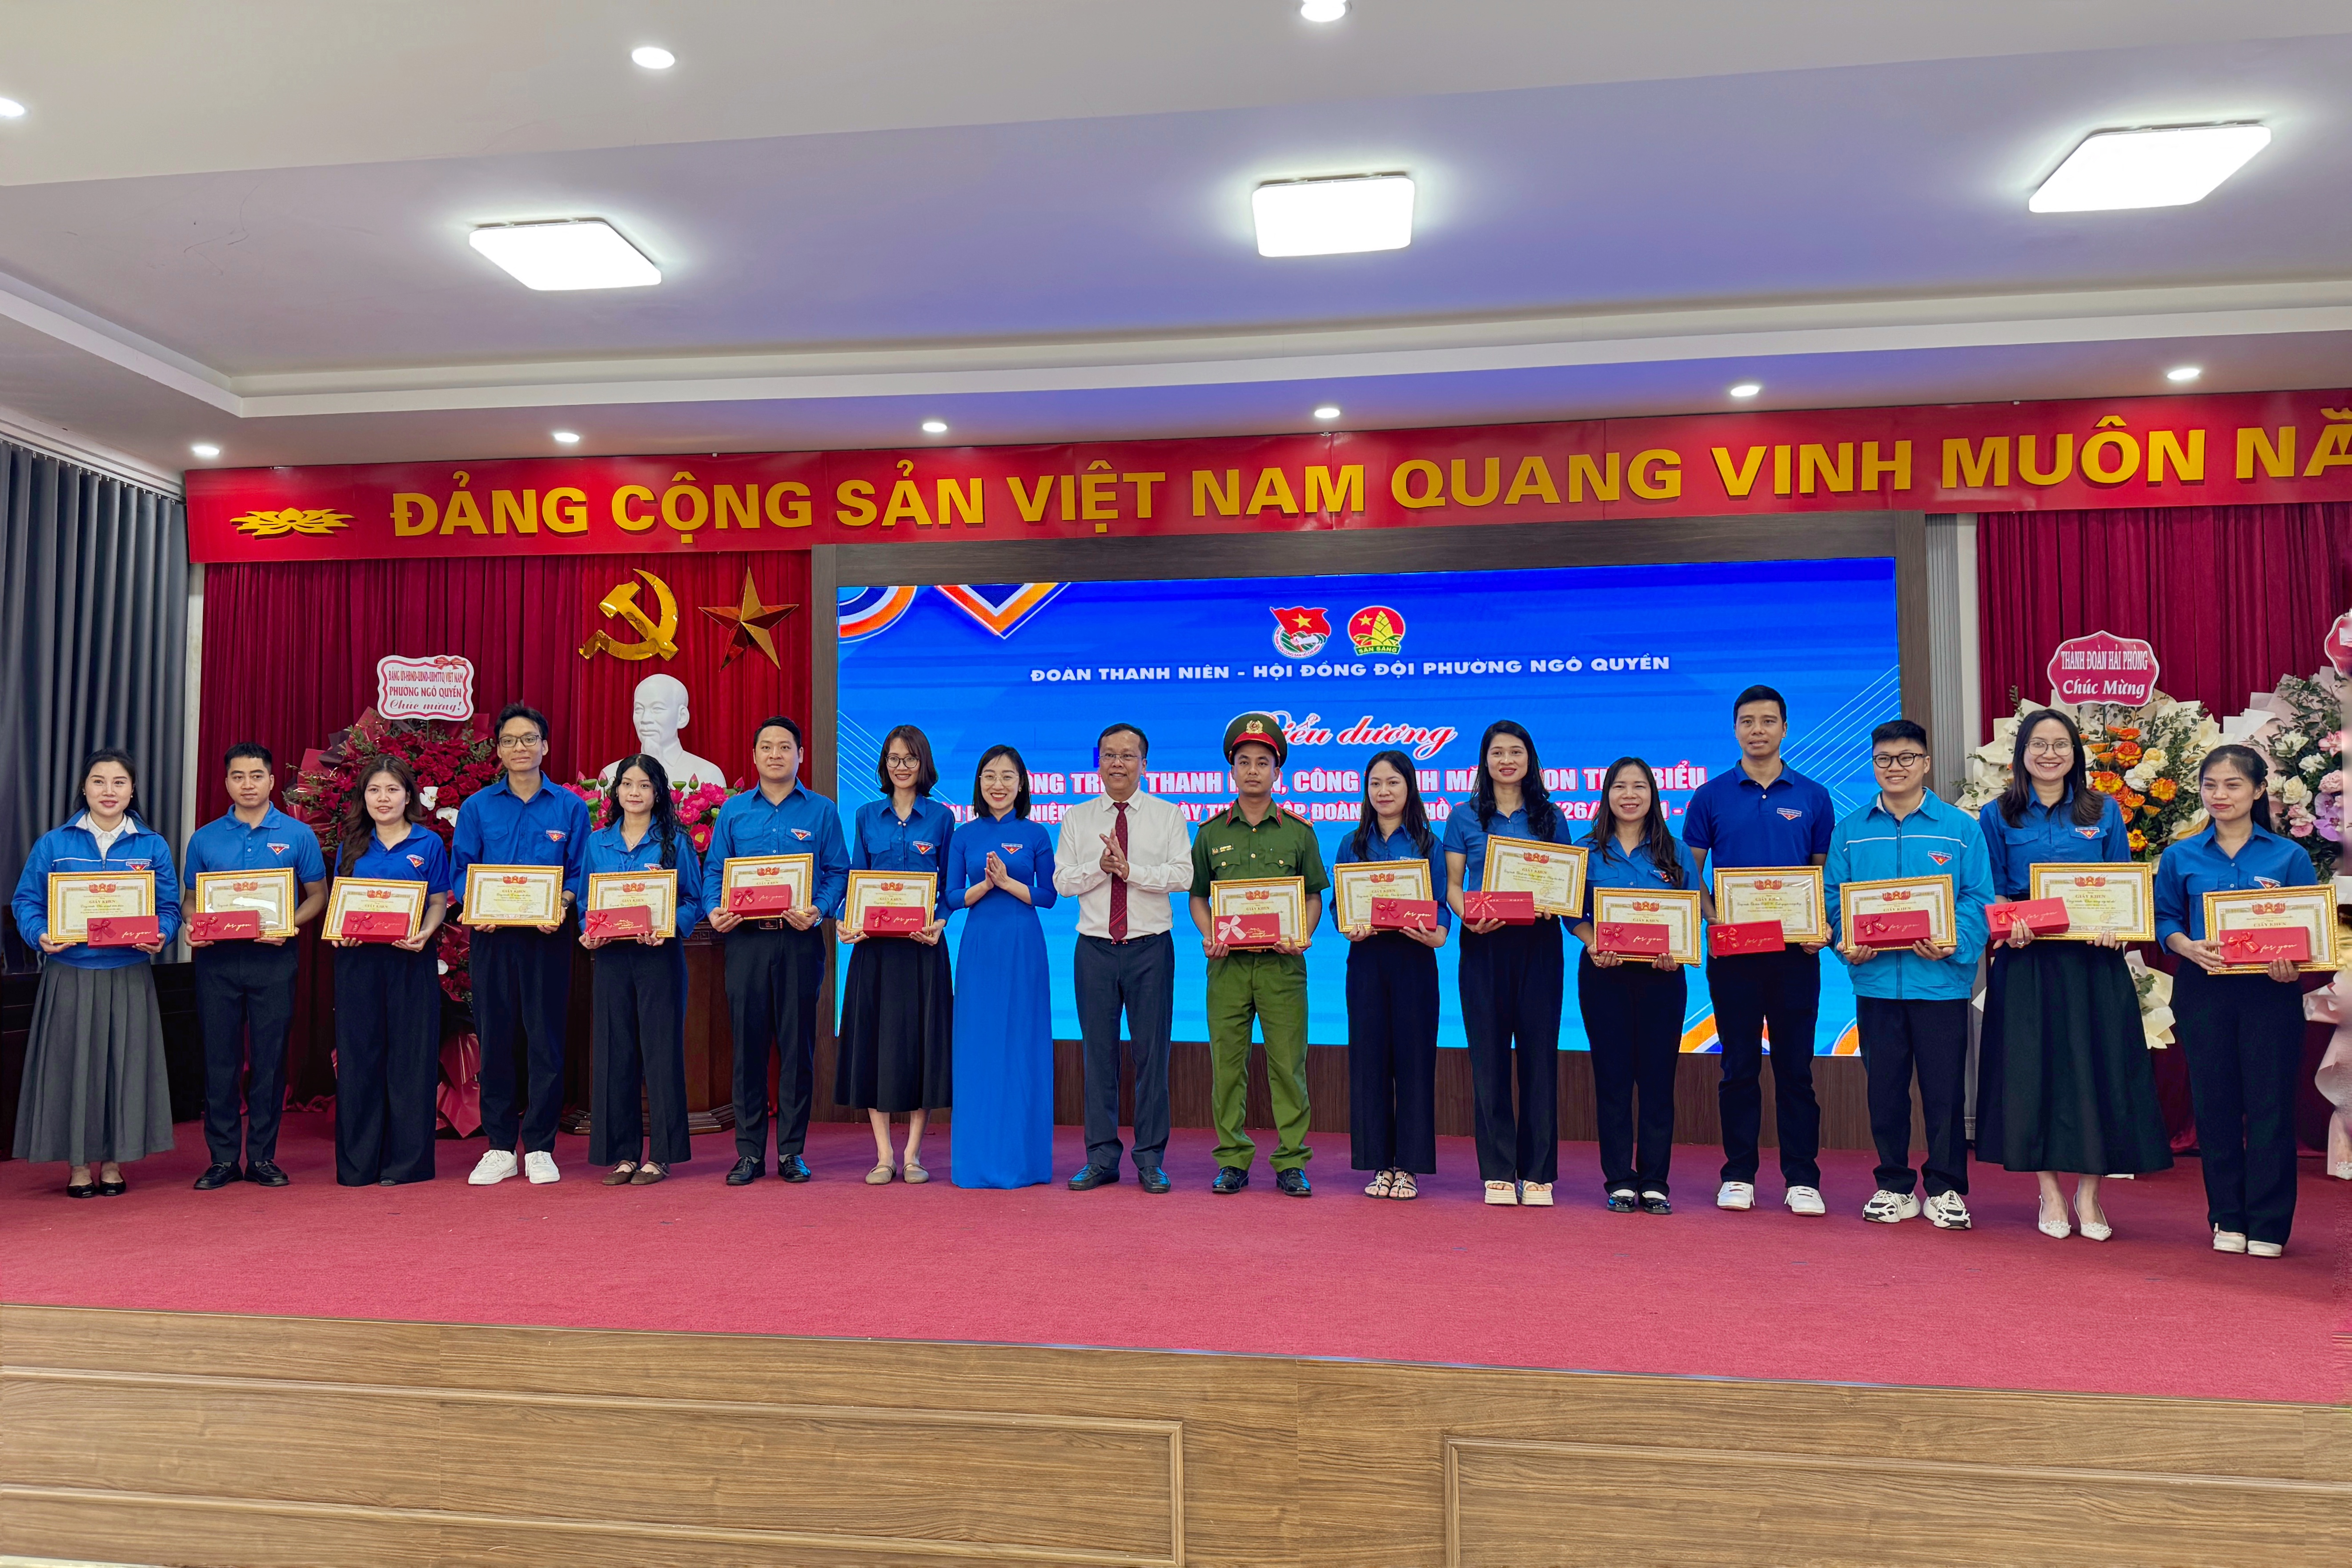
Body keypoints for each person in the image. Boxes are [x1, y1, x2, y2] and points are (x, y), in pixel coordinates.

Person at [1976, 710, 2171, 1240]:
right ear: (2021, 753)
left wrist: (2117, 928)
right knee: (2032, 1072)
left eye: (2060, 744)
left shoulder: (2103, 810)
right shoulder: (1997, 814)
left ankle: (2090, 1192)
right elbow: (1992, 887)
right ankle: (2050, 1190)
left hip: (2092, 961)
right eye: (2038, 744)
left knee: (2097, 1069)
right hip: (2027, 960)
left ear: (2075, 753)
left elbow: (2122, 884)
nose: (2049, 754)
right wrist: (2008, 924)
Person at [1825, 720, 1993, 1230]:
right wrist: (1846, 941)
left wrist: (1954, 943)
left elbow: (1977, 897)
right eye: (1884, 758)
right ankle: (1893, 1184)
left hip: (1940, 982)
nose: (1894, 767)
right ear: (1873, 764)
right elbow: (1834, 898)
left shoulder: (1960, 827)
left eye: (1906, 757)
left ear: (1925, 762)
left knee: (1944, 1092)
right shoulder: (1849, 830)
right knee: (1885, 1090)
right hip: (1876, 984)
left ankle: (1945, 1187)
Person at [2155, 745, 2317, 1259]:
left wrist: (2293, 962)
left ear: (2259, 789)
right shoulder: (2180, 855)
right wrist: (2185, 946)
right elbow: (2164, 919)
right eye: (2210, 785)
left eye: (2232, 784)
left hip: (2271, 992)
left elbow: (2307, 925)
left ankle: (2268, 1223)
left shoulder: (2288, 856)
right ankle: (2227, 1216)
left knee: (2271, 1105)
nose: (2219, 795)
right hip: (2203, 988)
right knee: (2215, 1103)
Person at [1681, 684, 1834, 1217]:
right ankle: (1738, 1173)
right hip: (1734, 953)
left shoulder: (1813, 795)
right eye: (1747, 721)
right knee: (1738, 1066)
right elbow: (1690, 872)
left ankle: (1802, 1178)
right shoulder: (1710, 795)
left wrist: (1816, 924)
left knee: (1796, 1070)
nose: (1757, 730)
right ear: (1734, 729)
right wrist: (1713, 916)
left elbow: (1819, 875)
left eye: (1768, 721)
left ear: (1784, 728)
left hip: (1795, 955)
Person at [10, 749, 180, 1196]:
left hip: (129, 972)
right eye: (99, 781)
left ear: (132, 790)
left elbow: (168, 907)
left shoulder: (152, 845)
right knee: (72, 1069)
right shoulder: (54, 843)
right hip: (70, 972)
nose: (109, 790)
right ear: (84, 788)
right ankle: (79, 1164)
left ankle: (115, 1162)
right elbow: (26, 900)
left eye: (119, 782)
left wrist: (161, 934)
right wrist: (40, 934)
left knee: (123, 1069)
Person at [704, 716, 849, 1185]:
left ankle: (791, 1151)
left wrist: (819, 909)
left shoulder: (822, 811)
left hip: (799, 941)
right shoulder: (733, 811)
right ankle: (748, 1153)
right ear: (754, 755)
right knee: (747, 1048)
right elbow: (714, 871)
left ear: (800, 755)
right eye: (766, 746)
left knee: (796, 1047)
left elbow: (838, 872)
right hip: (746, 941)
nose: (775, 754)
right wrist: (713, 909)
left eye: (785, 747)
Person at [453, 702, 590, 1187]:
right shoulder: (478, 807)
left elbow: (580, 871)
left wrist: (564, 903)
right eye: (510, 740)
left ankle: (539, 1146)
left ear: (545, 746)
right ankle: (498, 1146)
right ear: (498, 749)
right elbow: (462, 869)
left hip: (547, 939)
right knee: (495, 1040)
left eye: (529, 738)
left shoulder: (570, 807)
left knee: (545, 1040)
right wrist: (476, 905)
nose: (520, 747)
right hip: (492, 939)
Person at [1190, 712, 1328, 1196]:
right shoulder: (1210, 832)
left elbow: (1314, 896)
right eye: (1244, 761)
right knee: (1227, 1067)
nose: (1253, 770)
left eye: (1262, 762)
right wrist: (1208, 934)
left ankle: (1291, 1160)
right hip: (1227, 966)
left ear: (1277, 771)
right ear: (1232, 769)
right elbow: (1199, 896)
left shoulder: (1299, 832)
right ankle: (1232, 1159)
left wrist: (1303, 933)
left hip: (1282, 966)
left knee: (1288, 1066)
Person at [181, 742, 329, 1190]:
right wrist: (194, 923)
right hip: (217, 962)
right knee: (220, 1061)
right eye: (238, 776)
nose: (248, 784)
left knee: (270, 1060)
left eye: (257, 775)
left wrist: (289, 925)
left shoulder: (298, 835)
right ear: (227, 782)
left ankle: (263, 1157)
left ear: (271, 781)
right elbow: (190, 899)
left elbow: (318, 896)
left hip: (274, 959)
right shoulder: (204, 838)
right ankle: (223, 1158)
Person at [1056, 723, 1192, 1194]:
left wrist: (1130, 870)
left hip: (1150, 948)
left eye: (1128, 755)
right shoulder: (1077, 817)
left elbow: (1183, 875)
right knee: (1098, 1057)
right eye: (1109, 754)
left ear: (1144, 764)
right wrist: (1102, 867)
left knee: (1152, 1056)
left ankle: (1151, 1159)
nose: (1118, 763)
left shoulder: (1167, 815)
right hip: (1094, 949)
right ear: (1098, 762)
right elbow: (1062, 881)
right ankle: (1100, 1158)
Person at [1570, 757, 1705, 1215]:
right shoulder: (1586, 849)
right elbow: (1573, 913)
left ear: (1654, 794)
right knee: (1612, 1079)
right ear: (1606, 794)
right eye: (1620, 786)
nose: (1629, 795)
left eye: (1639, 786)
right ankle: (1620, 1180)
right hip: (1603, 974)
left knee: (1657, 1079)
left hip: (1662, 978)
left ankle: (1654, 1181)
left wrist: (1678, 951)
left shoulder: (1675, 851)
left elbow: (1689, 910)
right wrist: (1592, 941)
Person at [1442, 720, 1566, 1207]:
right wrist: (1468, 917)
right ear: (1485, 760)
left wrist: (1553, 902)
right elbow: (1454, 884)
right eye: (1498, 752)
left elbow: (1565, 880)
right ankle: (1496, 1170)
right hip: (1484, 944)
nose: (1507, 760)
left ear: (1530, 758)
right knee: (1488, 1058)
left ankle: (1537, 1173)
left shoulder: (1551, 816)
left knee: (1539, 1057)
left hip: (1539, 944)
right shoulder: (1463, 816)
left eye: (1516, 751)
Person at [576, 753, 705, 1186]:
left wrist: (668, 928)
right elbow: (586, 902)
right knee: (616, 1053)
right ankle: (625, 1153)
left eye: (644, 785)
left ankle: (662, 1155)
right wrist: (588, 931)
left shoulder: (675, 841)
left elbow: (692, 900)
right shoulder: (598, 843)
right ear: (616, 792)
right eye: (627, 784)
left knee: (660, 1053)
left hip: (658, 957)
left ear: (658, 793)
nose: (635, 792)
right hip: (612, 958)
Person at [837, 724, 955, 1184]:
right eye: (893, 758)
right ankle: (884, 1154)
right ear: (884, 764)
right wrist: (848, 920)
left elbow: (949, 888)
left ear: (924, 763)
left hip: (924, 949)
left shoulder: (942, 818)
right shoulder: (866, 815)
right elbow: (856, 878)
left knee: (923, 1047)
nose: (901, 767)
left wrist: (940, 920)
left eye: (910, 758)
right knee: (875, 1045)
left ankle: (913, 1154)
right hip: (875, 951)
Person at [327, 757, 452, 1187]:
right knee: (359, 1058)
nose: (384, 798)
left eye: (393, 790)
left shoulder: (428, 843)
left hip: (410, 959)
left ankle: (407, 1164)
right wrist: (341, 933)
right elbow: (341, 904)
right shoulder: (351, 844)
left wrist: (426, 932)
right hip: (358, 963)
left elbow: (438, 901)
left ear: (408, 795)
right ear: (363, 797)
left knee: (411, 1060)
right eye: (375, 790)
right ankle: (358, 1164)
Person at [946, 745, 1059, 1188]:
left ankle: (1024, 1162)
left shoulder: (1036, 833)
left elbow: (1048, 896)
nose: (998, 784)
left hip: (1023, 945)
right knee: (978, 1046)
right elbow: (951, 896)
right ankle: (975, 1162)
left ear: (1021, 784)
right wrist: (984, 886)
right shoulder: (964, 835)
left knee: (1021, 1046)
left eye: (1008, 776)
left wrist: (1008, 882)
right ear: (979, 782)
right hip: (980, 947)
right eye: (990, 775)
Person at [1337, 749, 1448, 1199]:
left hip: (1414, 959)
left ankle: (1409, 1166)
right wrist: (1348, 925)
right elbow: (1340, 906)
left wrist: (1435, 933)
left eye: (1393, 782)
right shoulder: (1352, 843)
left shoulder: (1429, 844)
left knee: (1414, 1062)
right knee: (1370, 1061)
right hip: (1366, 959)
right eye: (1375, 783)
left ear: (1410, 788)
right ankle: (1379, 1163)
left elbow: (1441, 908)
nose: (1383, 791)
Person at [599, 672, 726, 791]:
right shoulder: (611, 777)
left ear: (682, 717)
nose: (645, 719)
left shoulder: (707, 775)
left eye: (657, 709)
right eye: (639, 709)